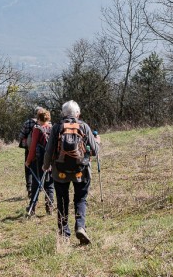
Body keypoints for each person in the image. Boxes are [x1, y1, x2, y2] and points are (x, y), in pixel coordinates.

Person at [43, 100, 100, 244]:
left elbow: (49, 150)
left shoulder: (57, 127)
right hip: (81, 171)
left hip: (59, 171)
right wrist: (97, 141)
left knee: (62, 201)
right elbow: (95, 151)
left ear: (63, 114)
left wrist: (45, 166)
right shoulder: (84, 126)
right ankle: (80, 227)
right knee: (80, 199)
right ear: (78, 113)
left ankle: (64, 235)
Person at [25, 108, 54, 216]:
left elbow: (32, 147)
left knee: (36, 184)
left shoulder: (37, 129)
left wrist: (28, 161)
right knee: (50, 184)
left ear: (38, 118)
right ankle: (49, 207)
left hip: (38, 160)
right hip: (51, 160)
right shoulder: (53, 128)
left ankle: (32, 208)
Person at [18, 106, 43, 198]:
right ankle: (39, 186)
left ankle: (29, 189)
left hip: (29, 149)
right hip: (41, 150)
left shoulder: (28, 122)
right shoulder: (45, 123)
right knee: (40, 167)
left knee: (28, 168)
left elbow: (21, 135)